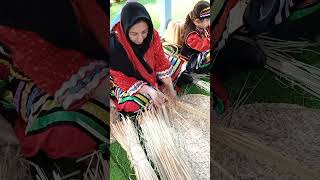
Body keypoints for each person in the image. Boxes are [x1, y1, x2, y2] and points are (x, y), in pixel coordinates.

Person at [0, 0, 108, 179]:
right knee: (67, 130)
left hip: (95, 61)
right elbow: (40, 60)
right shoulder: (13, 16)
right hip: (38, 72)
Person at [110, 2, 182, 116]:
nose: (140, 39)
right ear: (125, 29)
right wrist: (149, 90)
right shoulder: (115, 46)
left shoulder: (153, 35)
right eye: (134, 34)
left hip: (151, 73)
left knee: (177, 64)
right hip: (129, 82)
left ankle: (159, 86)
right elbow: (120, 78)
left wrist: (170, 89)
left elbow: (160, 60)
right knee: (134, 104)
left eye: (144, 32)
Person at [180, 0, 211, 74]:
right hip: (190, 58)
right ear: (197, 21)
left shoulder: (204, 26)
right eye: (207, 20)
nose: (209, 22)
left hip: (200, 53)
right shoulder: (191, 36)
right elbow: (204, 46)